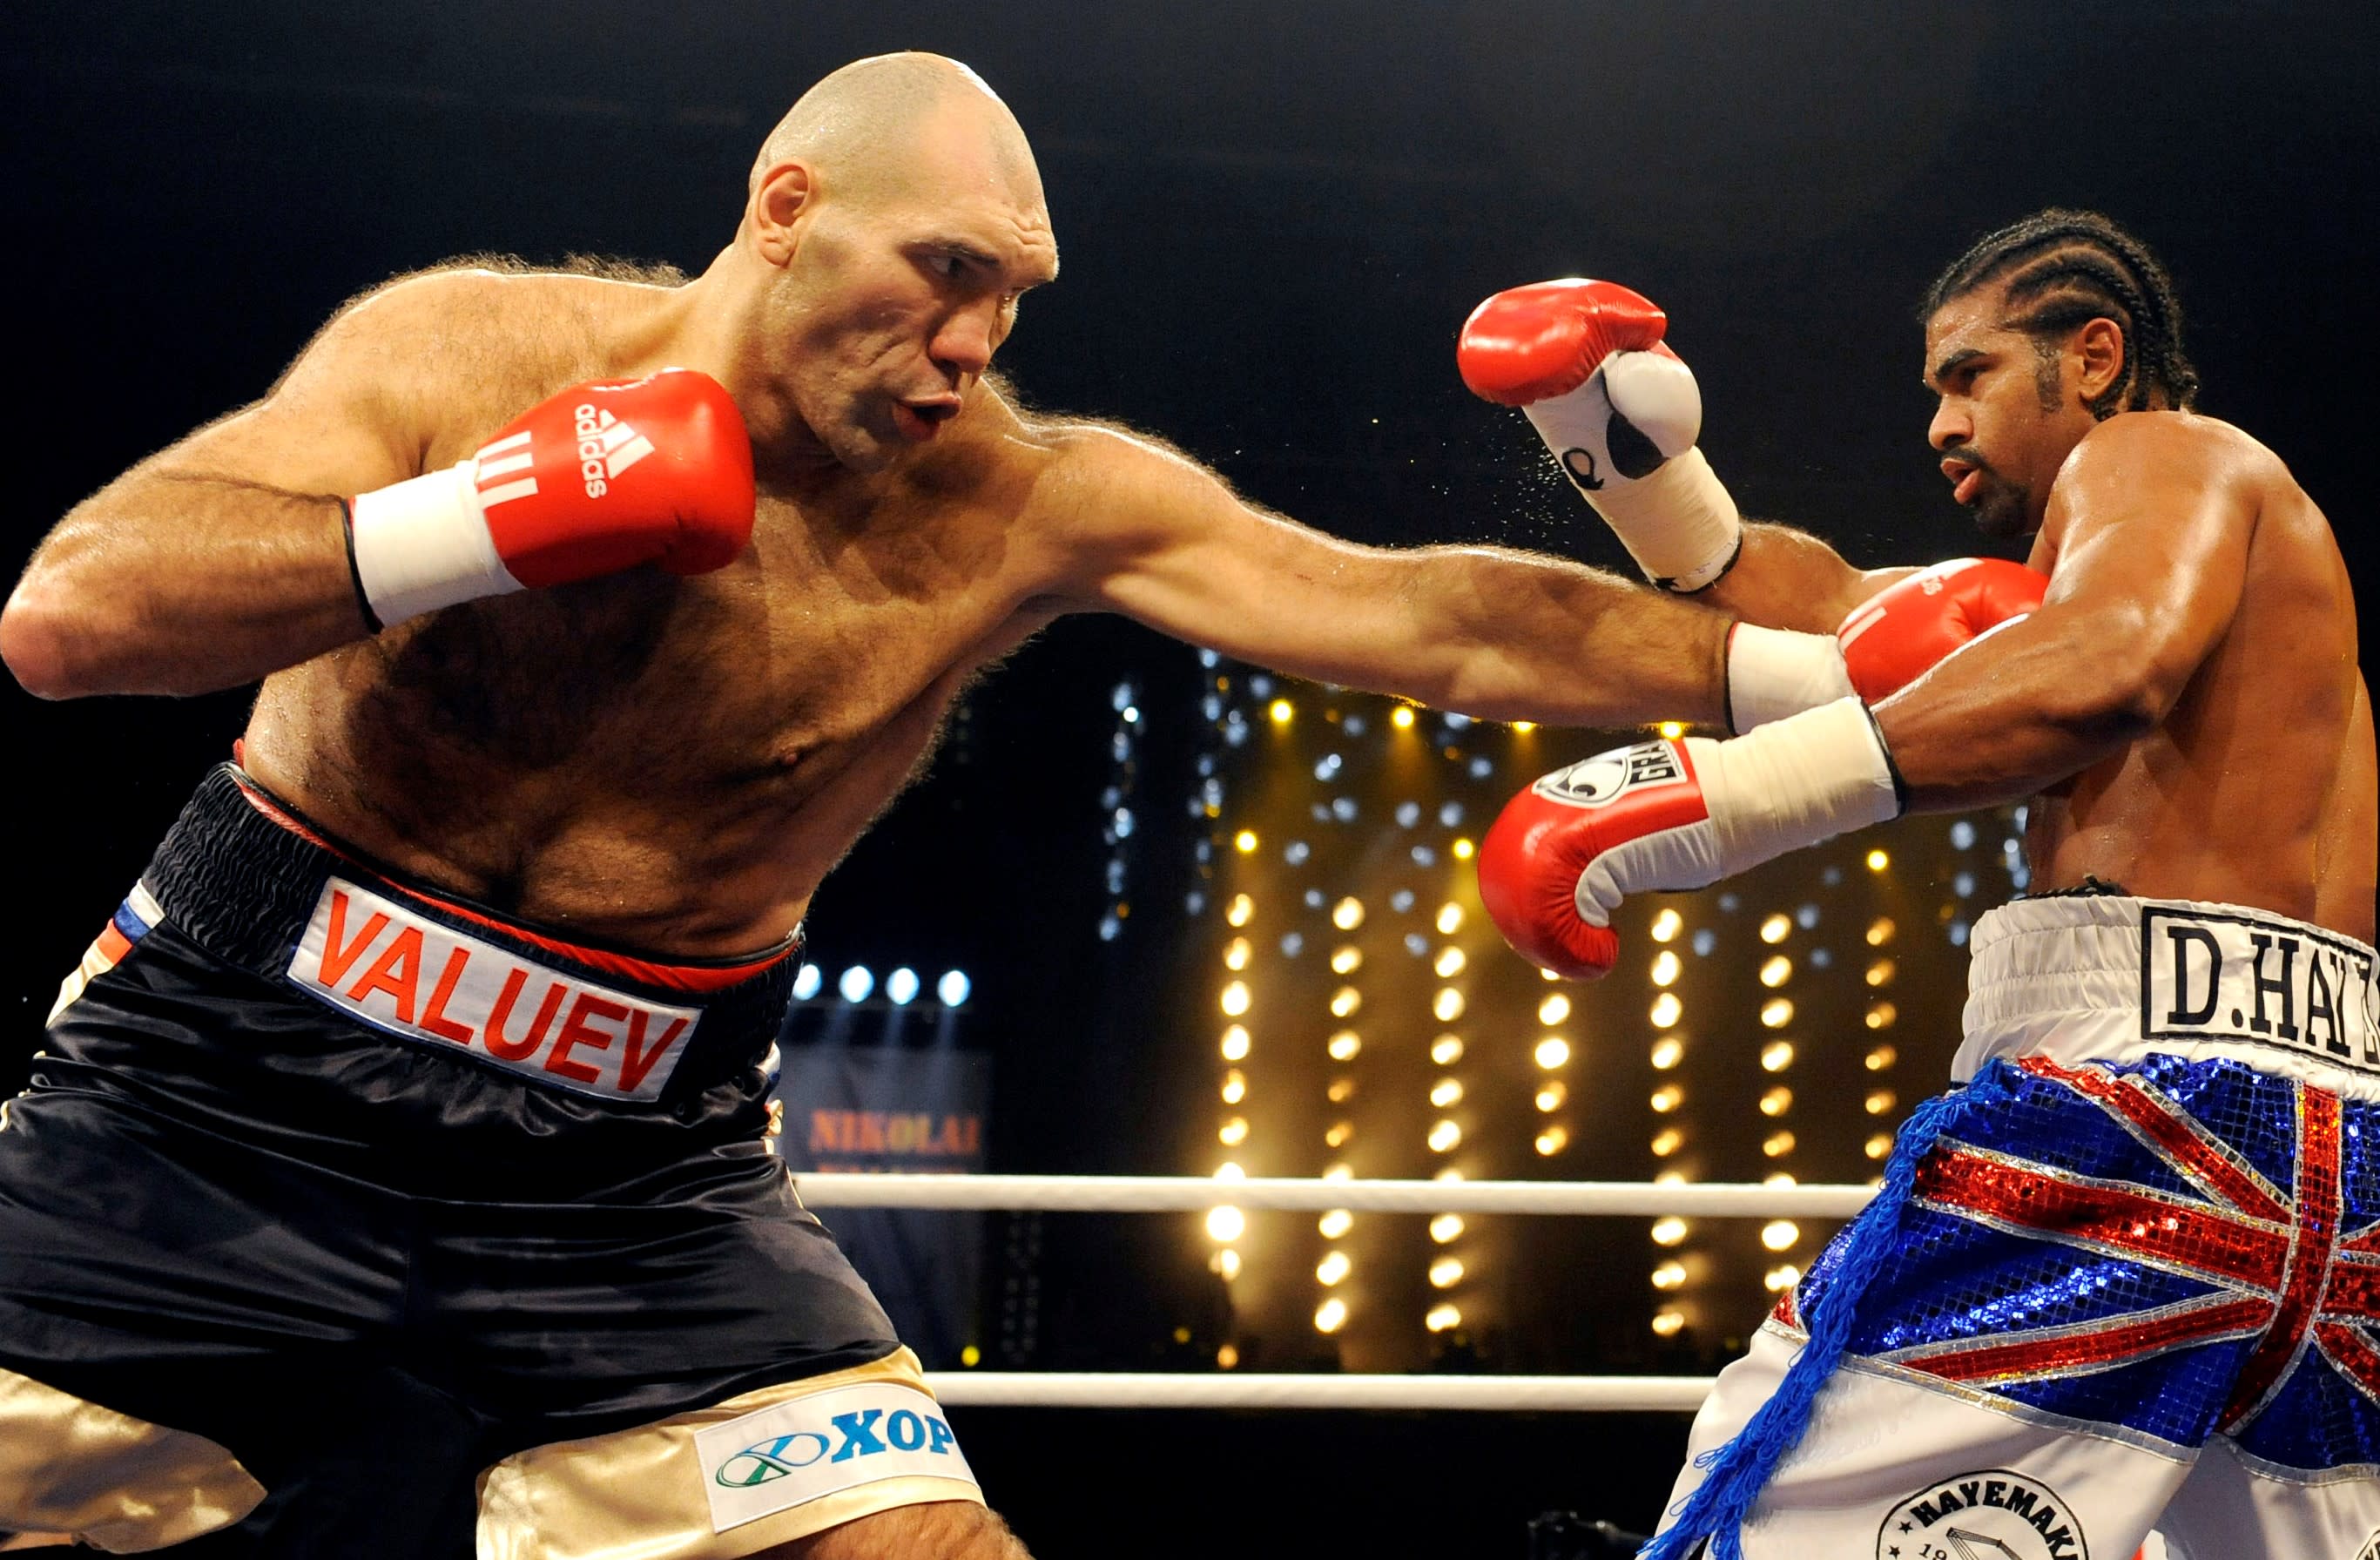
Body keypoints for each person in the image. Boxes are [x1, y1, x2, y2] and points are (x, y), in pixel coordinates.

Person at [0, 50, 1979, 1560]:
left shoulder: (1019, 503)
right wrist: (486, 519)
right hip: (209, 1101)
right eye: (942, 272)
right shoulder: (467, 353)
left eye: (1008, 298)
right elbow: (73, 619)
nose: (970, 343)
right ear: (785, 208)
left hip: (632, 1187)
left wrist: (1819, 670)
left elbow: (1428, 621)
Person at [1467, 210, 2377, 1558]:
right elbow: (1828, 605)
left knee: (1768, 1512)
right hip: (2343, 1163)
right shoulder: (2216, 566)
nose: (1940, 424)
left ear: (2093, 357)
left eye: (1971, 376)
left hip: (2143, 1120)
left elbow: (2106, 670)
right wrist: (1611, 442)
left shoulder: (2160, 453)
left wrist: (1712, 804)